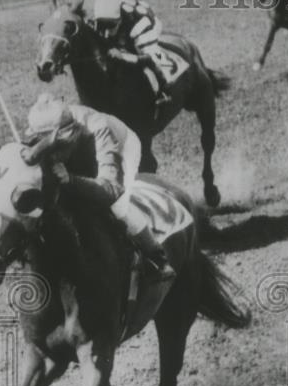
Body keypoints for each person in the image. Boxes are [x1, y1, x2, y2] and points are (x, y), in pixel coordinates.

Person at [19, 94, 180, 288]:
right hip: (79, 145)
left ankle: (156, 257)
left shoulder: (100, 130)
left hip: (122, 144)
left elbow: (112, 189)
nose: (53, 152)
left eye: (57, 146)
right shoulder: (45, 125)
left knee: (119, 207)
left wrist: (71, 179)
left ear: (70, 135)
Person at [92, 0, 175, 120]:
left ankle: (164, 92)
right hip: (127, 18)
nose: (107, 31)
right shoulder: (102, 18)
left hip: (145, 22)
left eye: (110, 25)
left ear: (119, 20)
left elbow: (149, 58)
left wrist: (123, 56)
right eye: (102, 25)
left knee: (152, 59)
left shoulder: (140, 25)